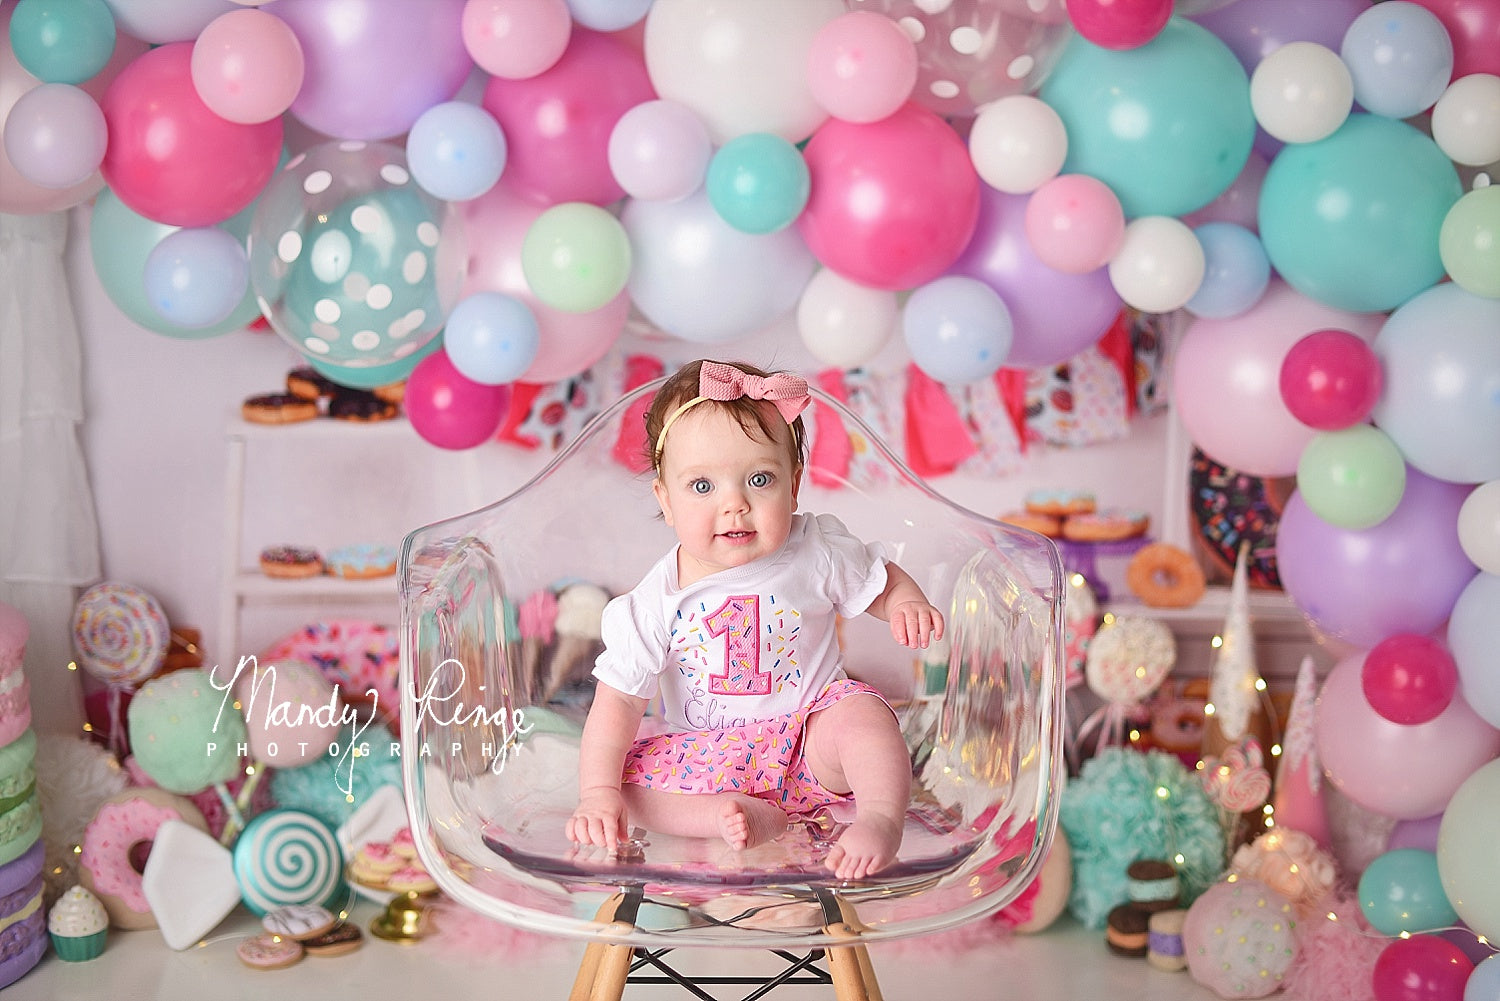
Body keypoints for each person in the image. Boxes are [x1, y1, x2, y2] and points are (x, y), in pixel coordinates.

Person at [565, 359, 944, 880]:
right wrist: (597, 796)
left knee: (864, 715)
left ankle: (880, 820)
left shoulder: (815, 550)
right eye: (702, 487)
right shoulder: (655, 598)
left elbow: (881, 580)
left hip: (812, 742)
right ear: (666, 499)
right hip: (709, 762)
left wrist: (905, 603)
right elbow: (620, 702)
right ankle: (735, 818)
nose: (735, 505)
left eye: (759, 479)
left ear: (794, 485)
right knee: (623, 782)